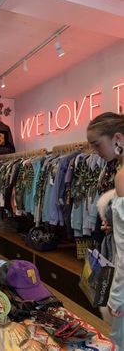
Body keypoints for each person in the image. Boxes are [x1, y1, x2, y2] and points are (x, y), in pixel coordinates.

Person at [87, 111, 124, 349]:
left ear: (117, 138)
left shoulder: (122, 177)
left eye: (97, 144)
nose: (95, 152)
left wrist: (116, 296)